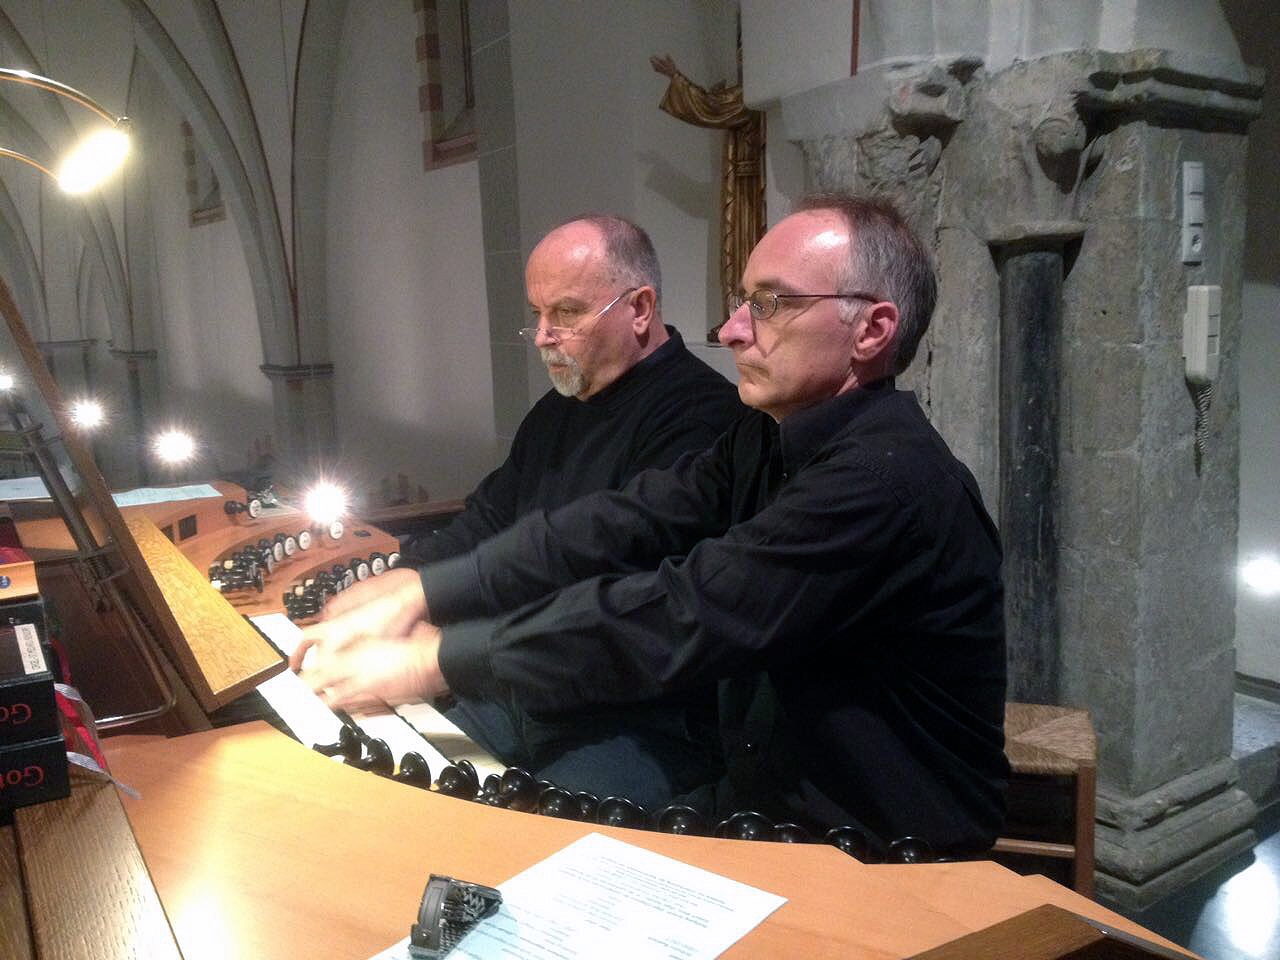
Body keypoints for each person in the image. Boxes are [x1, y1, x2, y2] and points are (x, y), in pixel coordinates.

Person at [300, 194, 1009, 856]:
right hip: (775, 804)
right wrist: (424, 590)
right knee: (447, 827)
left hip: (883, 851)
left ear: (873, 329)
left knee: (525, 861)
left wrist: (435, 658)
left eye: (769, 304)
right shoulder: (766, 437)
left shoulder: (883, 482)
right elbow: (618, 522)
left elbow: (682, 610)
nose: (731, 329)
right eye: (743, 301)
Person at [294, 214, 742, 809]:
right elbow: (490, 516)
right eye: (536, 314)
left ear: (639, 307)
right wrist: (404, 581)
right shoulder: (560, 409)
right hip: (517, 684)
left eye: (566, 313)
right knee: (366, 773)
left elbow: (607, 587)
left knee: (523, 853)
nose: (542, 335)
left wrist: (434, 649)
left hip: (631, 716)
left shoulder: (703, 419)